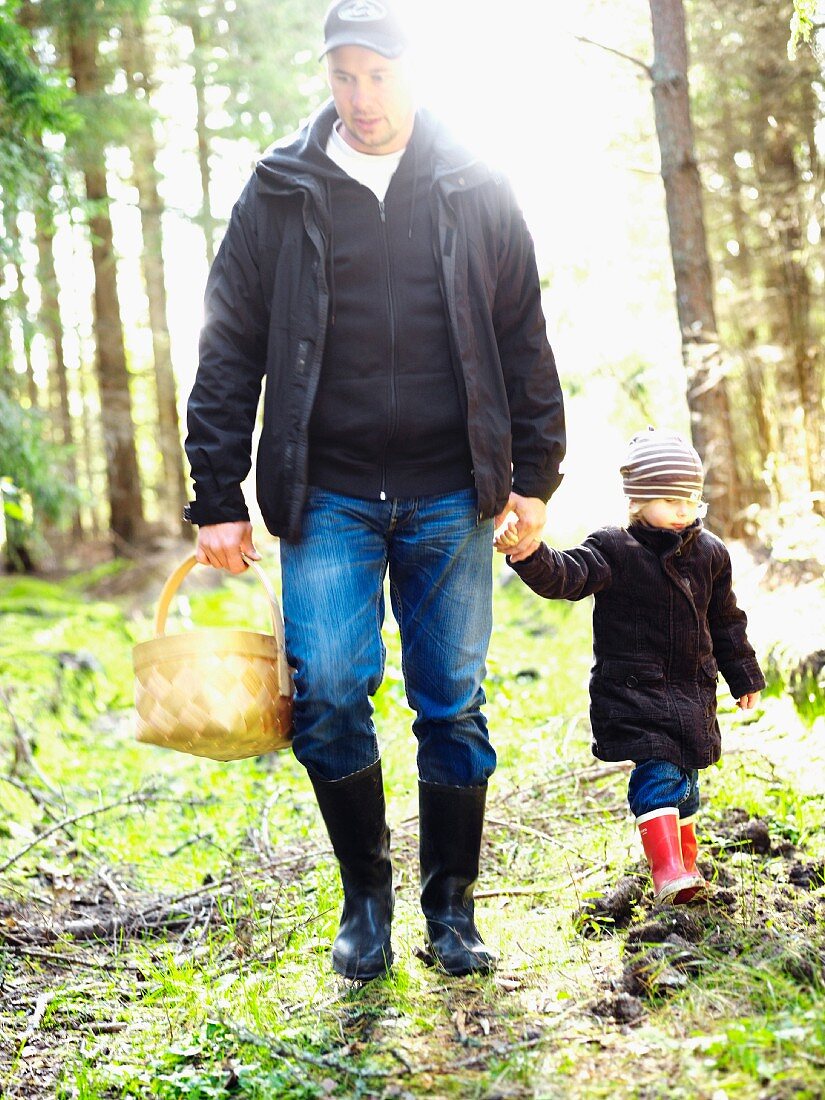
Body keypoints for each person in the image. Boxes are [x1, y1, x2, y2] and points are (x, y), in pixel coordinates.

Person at [184, 0, 565, 978]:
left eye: (379, 74)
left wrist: (536, 476)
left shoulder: (478, 182)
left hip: (452, 490)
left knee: (453, 704)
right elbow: (229, 342)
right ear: (326, 74)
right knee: (326, 696)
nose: (360, 96)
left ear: (415, 70)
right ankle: (367, 899)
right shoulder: (279, 188)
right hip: (329, 494)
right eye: (343, 74)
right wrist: (215, 488)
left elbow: (523, 335)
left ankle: (453, 910)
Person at [495, 428, 764, 905]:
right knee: (658, 775)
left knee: (686, 787)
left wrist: (743, 675)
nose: (683, 509)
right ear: (639, 500)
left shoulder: (710, 554)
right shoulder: (614, 548)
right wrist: (531, 554)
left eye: (691, 498)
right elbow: (568, 576)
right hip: (636, 693)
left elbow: (726, 621)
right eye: (669, 498)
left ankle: (686, 868)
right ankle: (667, 875)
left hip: (692, 694)